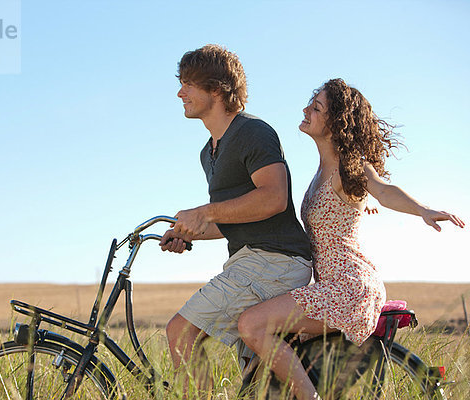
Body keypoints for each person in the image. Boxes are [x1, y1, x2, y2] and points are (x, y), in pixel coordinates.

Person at [237, 78, 465, 400]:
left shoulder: (350, 167)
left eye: (316, 107)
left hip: (349, 286)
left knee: (252, 324)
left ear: (335, 123)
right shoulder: (321, 172)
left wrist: (423, 209)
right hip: (329, 284)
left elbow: (383, 190)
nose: (305, 109)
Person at [160, 44, 313, 394]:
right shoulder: (208, 152)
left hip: (275, 259)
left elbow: (273, 197)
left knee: (180, 331)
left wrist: (205, 211)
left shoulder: (252, 132)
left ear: (216, 88)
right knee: (256, 382)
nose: (180, 92)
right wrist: (191, 232)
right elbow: (236, 218)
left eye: (188, 84)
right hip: (250, 260)